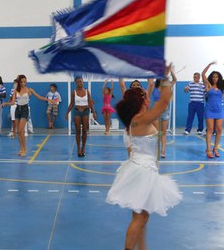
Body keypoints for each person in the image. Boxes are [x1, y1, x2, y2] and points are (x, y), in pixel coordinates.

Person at [106, 66, 181, 250]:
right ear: (140, 101)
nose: (148, 96)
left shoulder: (142, 118)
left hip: (146, 168)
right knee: (140, 218)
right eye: (145, 96)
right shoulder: (139, 120)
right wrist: (163, 78)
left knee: (141, 215)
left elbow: (161, 116)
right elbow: (164, 102)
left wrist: (166, 82)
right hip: (142, 170)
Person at [3, 74, 52, 156]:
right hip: (17, 110)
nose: (23, 83)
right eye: (22, 82)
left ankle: (25, 148)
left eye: (25, 81)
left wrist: (49, 100)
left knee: (20, 130)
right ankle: (21, 148)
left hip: (25, 110)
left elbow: (39, 97)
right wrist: (6, 103)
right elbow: (12, 102)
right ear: (19, 82)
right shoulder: (15, 91)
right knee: (19, 132)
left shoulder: (29, 90)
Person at [202, 61, 224, 158]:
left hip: (219, 111)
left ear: (218, 78)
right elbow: (203, 74)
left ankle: (215, 148)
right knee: (210, 130)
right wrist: (209, 64)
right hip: (209, 110)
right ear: (211, 77)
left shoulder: (221, 86)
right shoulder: (208, 86)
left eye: (216, 77)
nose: (215, 78)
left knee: (219, 130)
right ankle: (208, 150)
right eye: (213, 76)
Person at [65, 77, 96, 157]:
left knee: (85, 130)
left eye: (81, 81)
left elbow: (90, 102)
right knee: (78, 131)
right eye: (78, 82)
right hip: (77, 111)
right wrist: (67, 113)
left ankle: (83, 148)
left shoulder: (87, 92)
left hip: (86, 111)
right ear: (76, 83)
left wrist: (93, 112)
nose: (80, 83)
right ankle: (78, 148)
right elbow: (72, 103)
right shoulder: (74, 92)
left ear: (83, 82)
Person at [149, 69, 177, 158]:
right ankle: (155, 150)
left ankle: (163, 150)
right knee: (157, 132)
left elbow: (175, 80)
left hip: (165, 112)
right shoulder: (153, 87)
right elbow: (149, 80)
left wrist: (171, 71)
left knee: (164, 132)